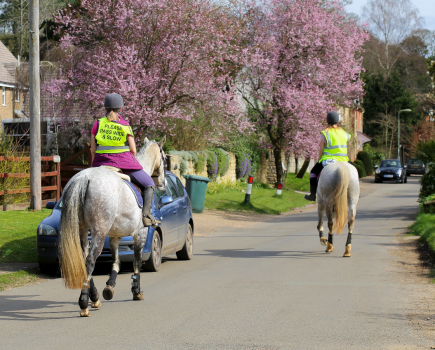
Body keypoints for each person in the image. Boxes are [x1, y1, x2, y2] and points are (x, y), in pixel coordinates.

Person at [91, 93, 160, 227]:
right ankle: (146, 216)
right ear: (120, 109)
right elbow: (133, 150)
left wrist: (95, 164)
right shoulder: (125, 125)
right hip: (123, 163)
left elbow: (93, 150)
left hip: (100, 163)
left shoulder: (98, 123)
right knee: (149, 184)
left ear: (105, 108)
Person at [304, 111, 351, 201]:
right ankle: (356, 191)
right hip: (343, 160)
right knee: (354, 172)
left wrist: (319, 159)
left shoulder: (325, 133)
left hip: (328, 160)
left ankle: (312, 194)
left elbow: (321, 149)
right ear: (338, 121)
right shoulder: (344, 133)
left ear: (327, 121)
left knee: (313, 172)